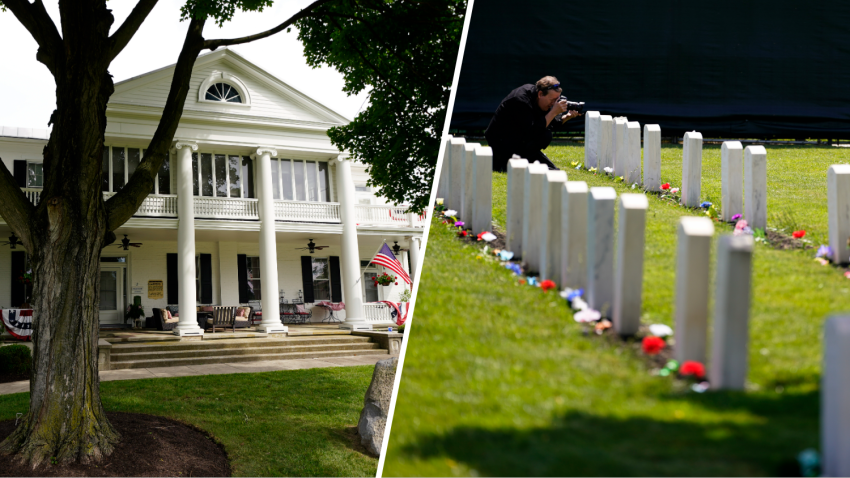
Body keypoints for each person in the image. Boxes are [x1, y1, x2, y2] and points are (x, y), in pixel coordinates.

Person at [484, 76, 583, 172]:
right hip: (501, 142)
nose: (554, 104)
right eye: (552, 100)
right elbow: (533, 131)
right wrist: (553, 112)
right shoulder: (521, 100)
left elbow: (550, 123)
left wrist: (567, 117)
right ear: (540, 94)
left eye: (557, 100)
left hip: (518, 139)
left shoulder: (540, 100)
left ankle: (523, 161)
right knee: (545, 136)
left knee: (553, 170)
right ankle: (506, 164)